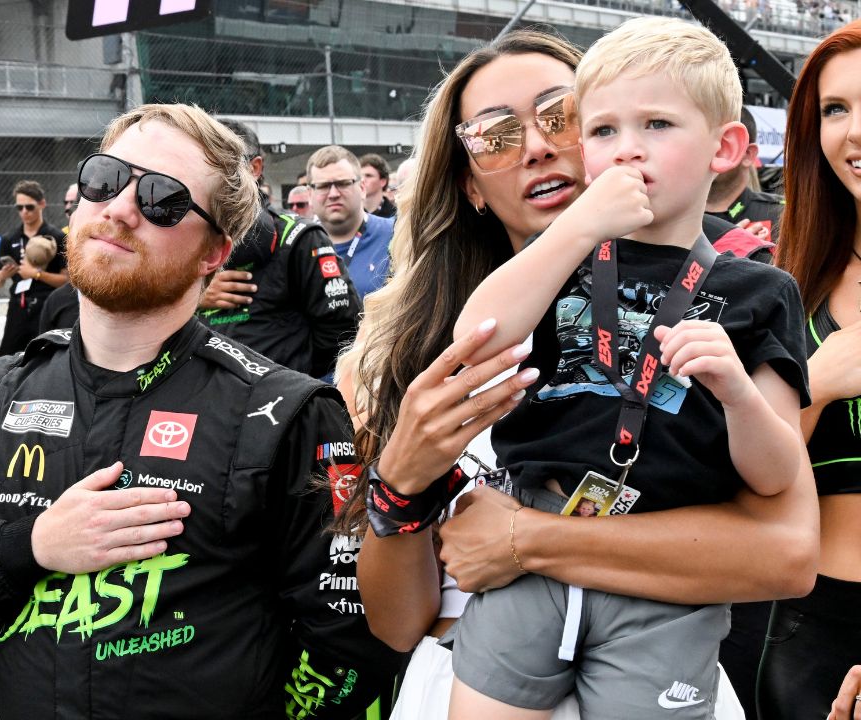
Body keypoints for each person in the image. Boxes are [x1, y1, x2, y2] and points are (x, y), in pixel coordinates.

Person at [0, 103, 401, 718]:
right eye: (105, 180)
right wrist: (29, 546)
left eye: (164, 199)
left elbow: (355, 653)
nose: (120, 208)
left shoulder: (286, 414)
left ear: (214, 253)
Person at [335, 28, 816, 720]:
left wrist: (527, 541)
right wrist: (401, 484)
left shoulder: (745, 295)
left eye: (557, 115)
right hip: (476, 672)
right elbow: (396, 623)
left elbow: (784, 556)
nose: (536, 146)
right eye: (495, 136)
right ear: (469, 182)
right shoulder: (408, 351)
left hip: (655, 658)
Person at [759, 20, 861, 720]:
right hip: (805, 625)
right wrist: (817, 386)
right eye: (835, 109)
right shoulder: (785, 283)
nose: (854, 131)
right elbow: (740, 477)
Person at [198, 118, 362, 378]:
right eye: (205, 164)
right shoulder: (183, 234)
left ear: (255, 168)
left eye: (224, 164)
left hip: (280, 401)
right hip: (206, 398)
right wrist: (193, 295)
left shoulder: (299, 238)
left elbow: (341, 332)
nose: (213, 175)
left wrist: (288, 382)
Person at [306, 146, 395, 300]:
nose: (333, 194)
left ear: (362, 188)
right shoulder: (295, 246)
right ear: (310, 194)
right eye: (323, 186)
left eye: (343, 184)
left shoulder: (396, 234)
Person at [0, 180, 67, 357]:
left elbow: (66, 280)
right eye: (20, 207)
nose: (24, 212)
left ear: (42, 204)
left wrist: (36, 274)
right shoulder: (9, 239)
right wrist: (1, 276)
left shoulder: (56, 236)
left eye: (29, 207)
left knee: (46, 357)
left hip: (47, 305)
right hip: (18, 306)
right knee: (8, 357)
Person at [706, 107, 785, 243]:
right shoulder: (667, 218)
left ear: (748, 155)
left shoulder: (783, 215)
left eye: (722, 144)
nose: (708, 149)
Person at [358, 153, 397, 218]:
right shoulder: (350, 215)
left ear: (383, 182)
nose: (362, 180)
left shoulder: (396, 216)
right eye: (359, 176)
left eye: (368, 176)